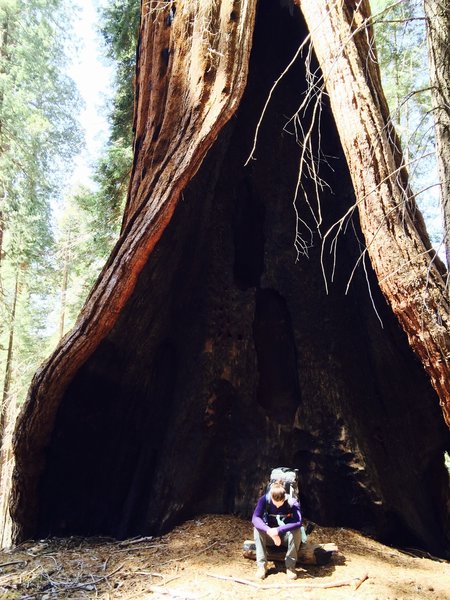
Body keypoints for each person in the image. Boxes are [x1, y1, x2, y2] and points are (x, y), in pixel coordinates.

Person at [252, 480, 302, 580]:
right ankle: (261, 566)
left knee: (297, 531)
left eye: (281, 503)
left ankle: (290, 566)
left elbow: (298, 522)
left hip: (285, 537)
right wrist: (269, 530)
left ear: (285, 497)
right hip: (270, 536)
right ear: (271, 497)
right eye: (275, 504)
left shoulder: (292, 503)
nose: (278, 506)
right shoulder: (264, 500)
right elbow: (255, 518)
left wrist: (278, 530)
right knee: (257, 529)